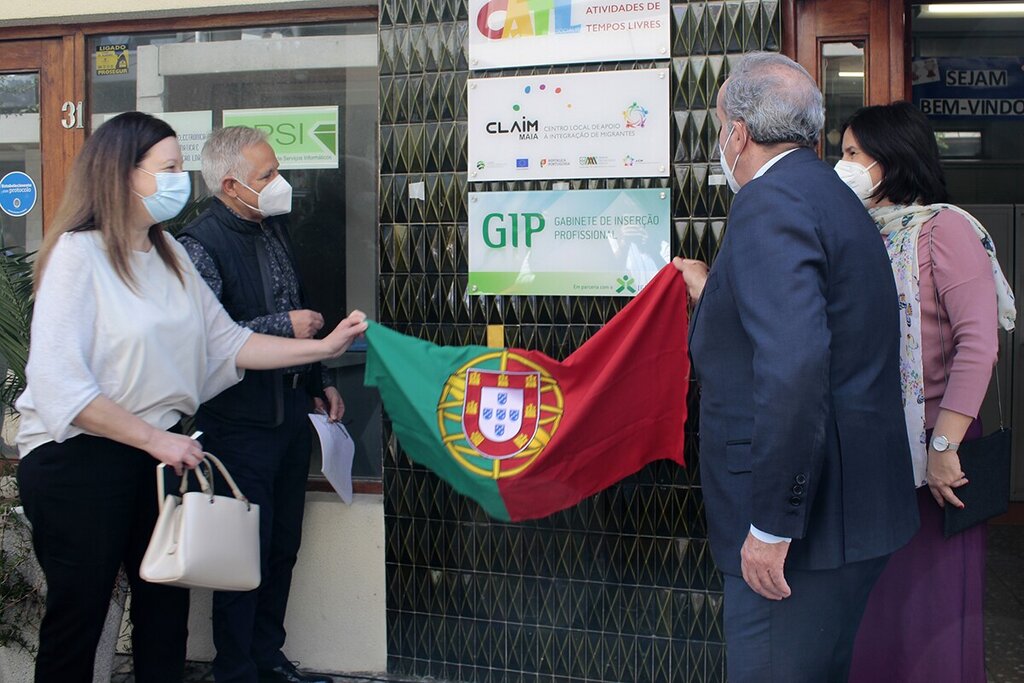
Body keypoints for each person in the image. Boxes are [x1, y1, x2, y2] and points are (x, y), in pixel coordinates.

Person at [14, 112, 366, 683]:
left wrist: (322, 348)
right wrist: (157, 440)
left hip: (156, 456)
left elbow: (229, 343)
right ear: (123, 174)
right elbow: (62, 387)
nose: (182, 179)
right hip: (80, 459)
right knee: (79, 619)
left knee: (165, 616)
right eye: (170, 167)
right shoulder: (78, 255)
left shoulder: (170, 255)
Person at [673, 52, 919, 682]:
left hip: (800, 531)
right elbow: (814, 326)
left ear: (737, 133)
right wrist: (714, 292)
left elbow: (793, 366)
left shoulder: (769, 202)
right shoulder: (828, 194)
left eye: (720, 127)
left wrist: (772, 525)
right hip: (852, 510)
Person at [838, 102, 1014, 683]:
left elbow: (978, 344)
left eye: (852, 153)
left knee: (929, 612)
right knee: (877, 610)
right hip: (878, 448)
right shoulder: (858, 232)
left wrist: (943, 448)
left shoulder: (945, 229)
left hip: (940, 450)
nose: (843, 165)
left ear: (889, 159)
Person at [176, 127, 339, 683]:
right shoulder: (198, 243)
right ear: (230, 185)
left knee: (282, 546)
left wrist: (318, 378)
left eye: (276, 170)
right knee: (243, 553)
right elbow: (209, 337)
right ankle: (237, 667)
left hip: (289, 412)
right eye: (267, 175)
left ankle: (269, 657)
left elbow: (299, 302)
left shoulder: (273, 226)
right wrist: (284, 327)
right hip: (238, 425)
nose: (279, 182)